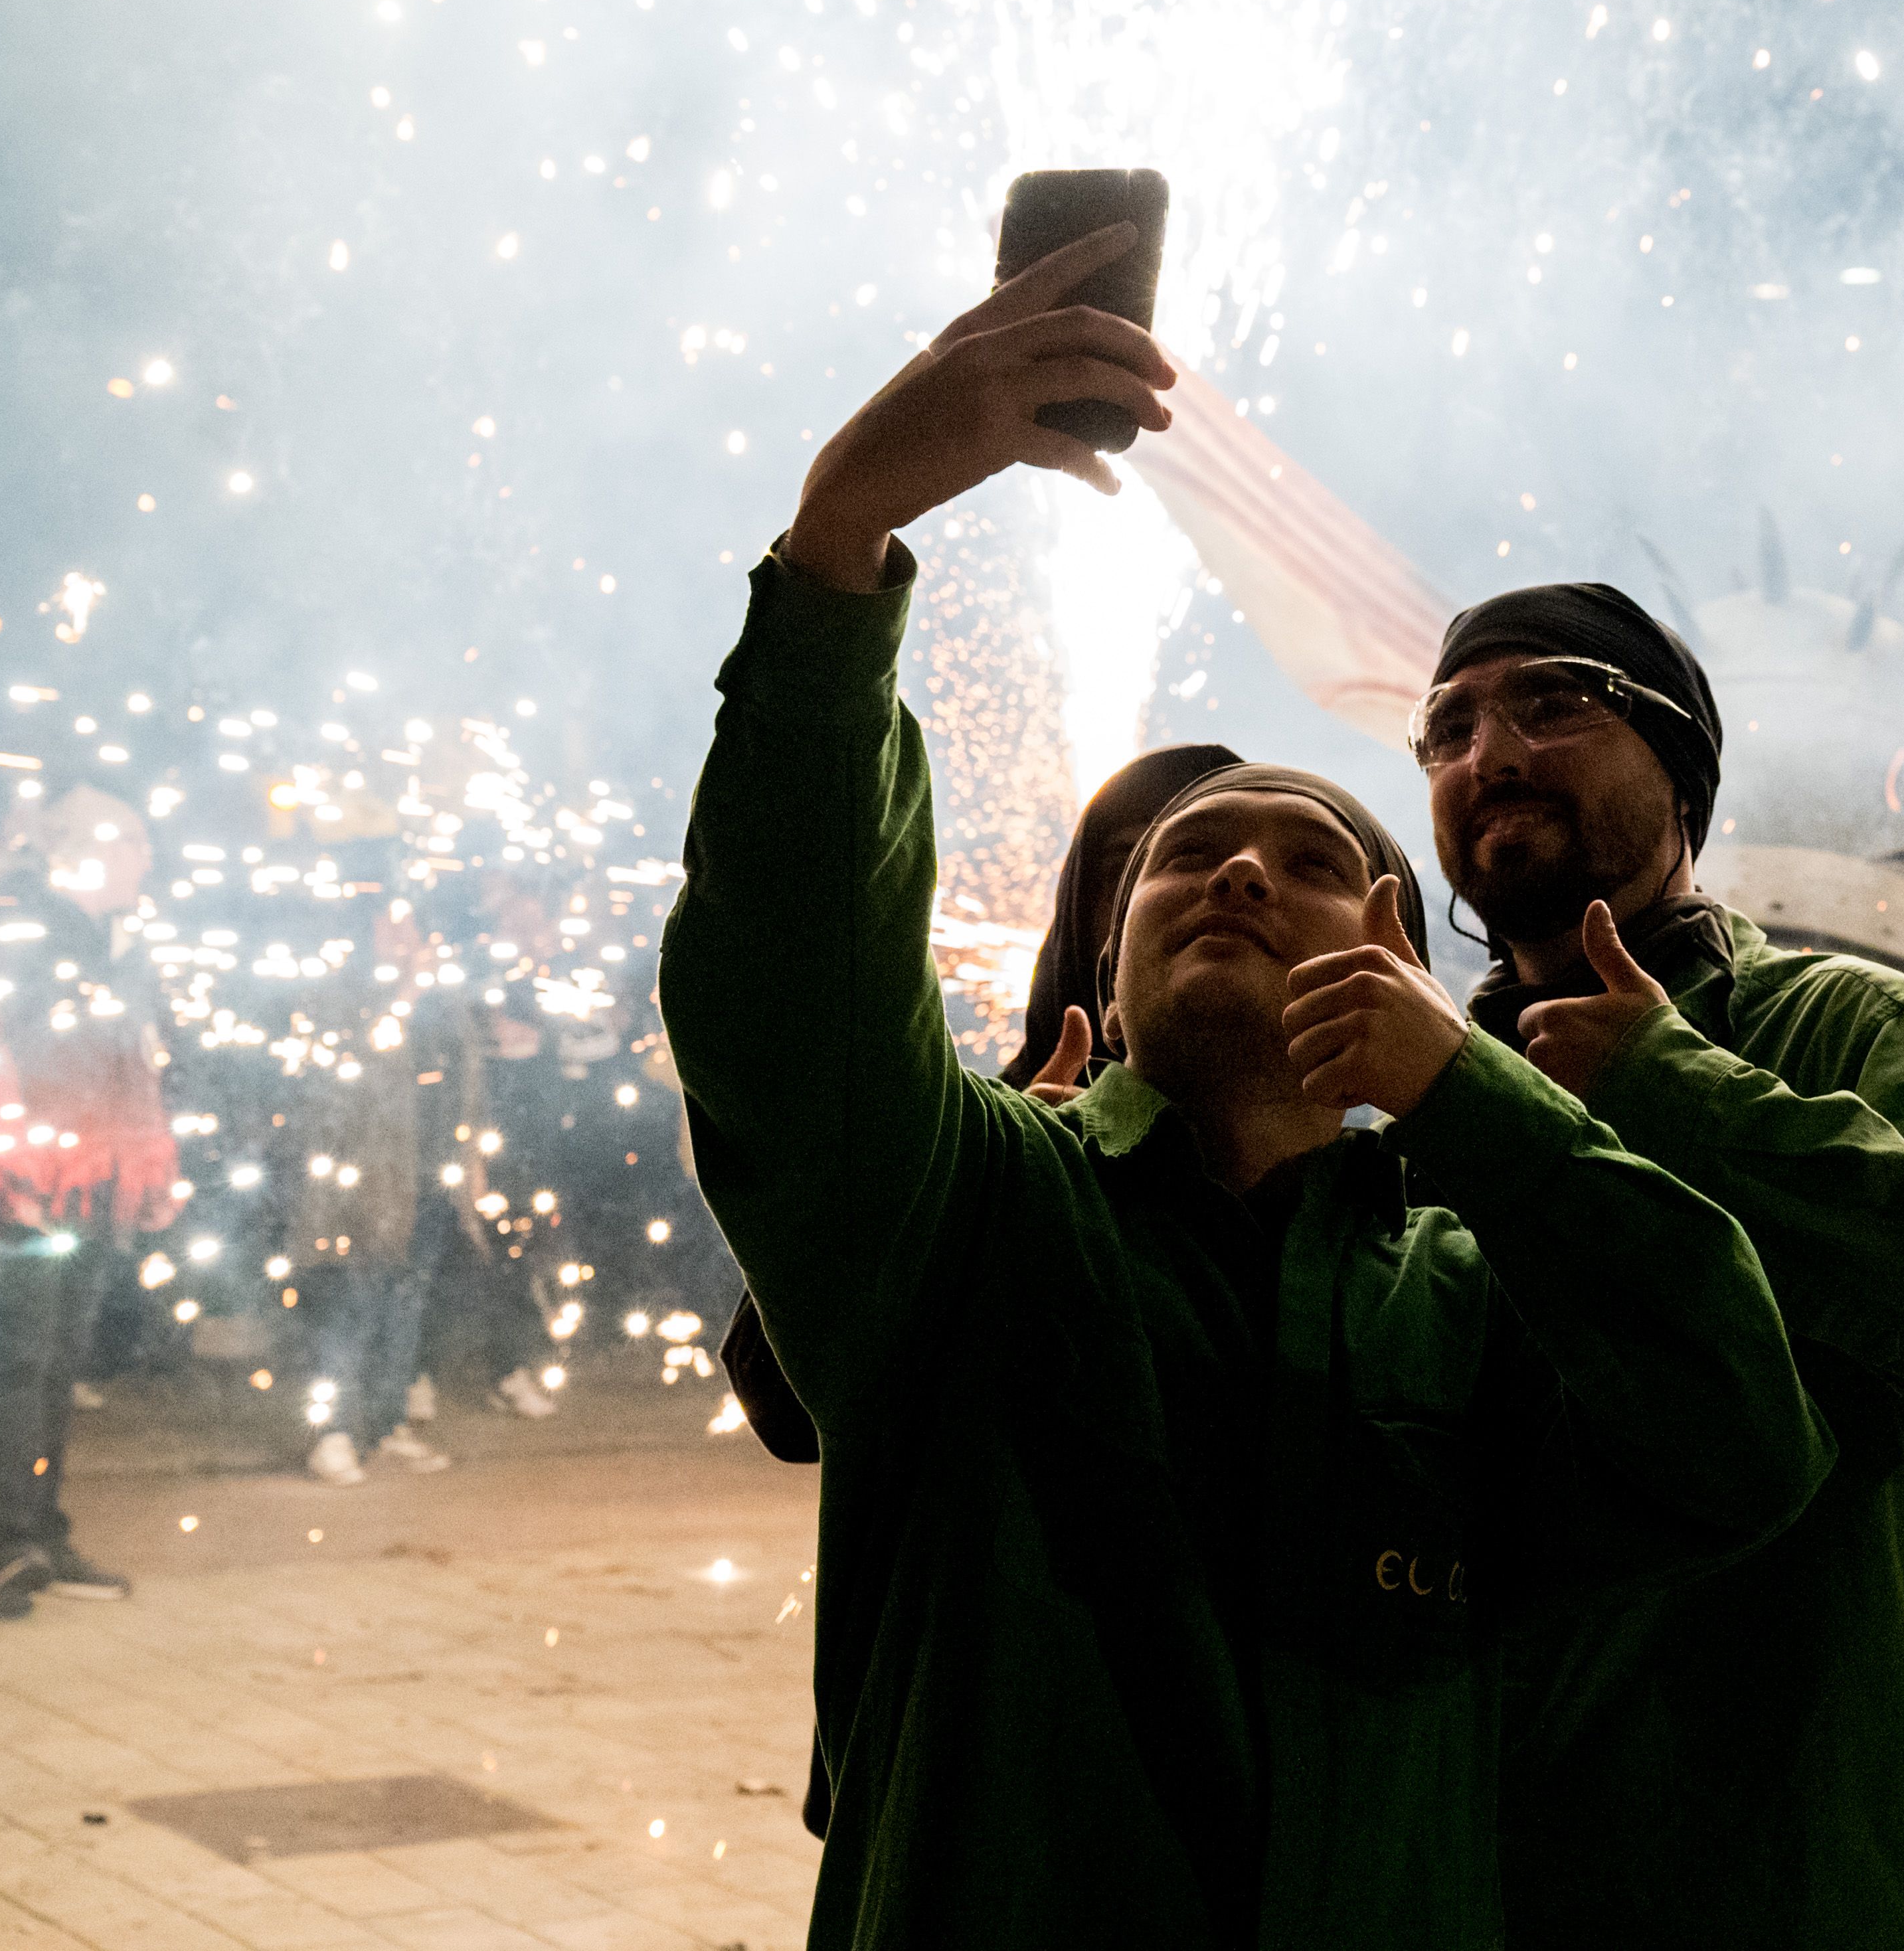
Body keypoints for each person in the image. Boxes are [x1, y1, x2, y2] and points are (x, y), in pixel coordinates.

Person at [660, 224, 1832, 1947]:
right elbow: (787, 994)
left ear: (1403, 962)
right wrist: (843, 539)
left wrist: (1484, 1110)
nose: (1238, 872)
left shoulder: (1474, 1279)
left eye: (1311, 856)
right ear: (1108, 963)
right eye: (1189, 856)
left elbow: (1737, 1441)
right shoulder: (978, 1211)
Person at [1412, 590, 1904, 1947]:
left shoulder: (1846, 1027)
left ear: (1681, 770)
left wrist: (1672, 1089)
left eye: (1554, 703)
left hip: (1816, 1886)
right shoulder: (1417, 1118)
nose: (1490, 753)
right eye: (1447, 728)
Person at [717, 736, 1239, 1841]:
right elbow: (782, 1400)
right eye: (1142, 863)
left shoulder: (1359, 1170)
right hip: (966, 1779)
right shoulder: (986, 1135)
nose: (1212, 892)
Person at [0, 785, 180, 1619]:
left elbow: (138, 1058)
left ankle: (46, 1533)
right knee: (26, 1356)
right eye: (133, 840)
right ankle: (15, 1542)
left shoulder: (122, 941)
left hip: (97, 1175)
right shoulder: (16, 923)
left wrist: (150, 1160)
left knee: (59, 1358)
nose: (147, 858)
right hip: (32, 1177)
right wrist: (3, 1157)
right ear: (85, 849)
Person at [282, 900, 450, 1484]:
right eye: (392, 924)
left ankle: (382, 1425)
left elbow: (461, 1074)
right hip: (362, 1182)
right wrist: (403, 995)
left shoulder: (436, 998)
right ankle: (329, 1434)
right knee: (349, 1309)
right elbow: (350, 1078)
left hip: (426, 1174)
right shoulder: (341, 995)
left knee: (400, 1310)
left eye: (411, 924)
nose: (407, 937)